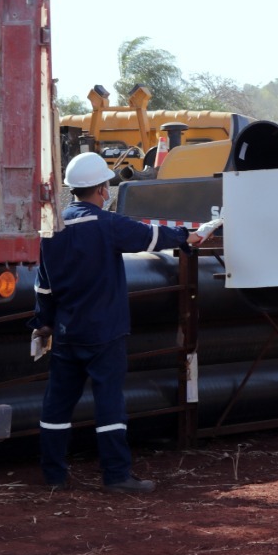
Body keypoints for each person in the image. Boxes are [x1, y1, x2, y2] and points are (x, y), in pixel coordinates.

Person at [30, 152, 203, 493]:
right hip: (105, 333)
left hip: (66, 332)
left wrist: (44, 324)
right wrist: (187, 237)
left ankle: (53, 475)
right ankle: (116, 476)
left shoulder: (51, 231)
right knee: (109, 401)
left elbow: (43, 286)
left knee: (57, 404)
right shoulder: (107, 226)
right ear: (102, 189)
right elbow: (151, 237)